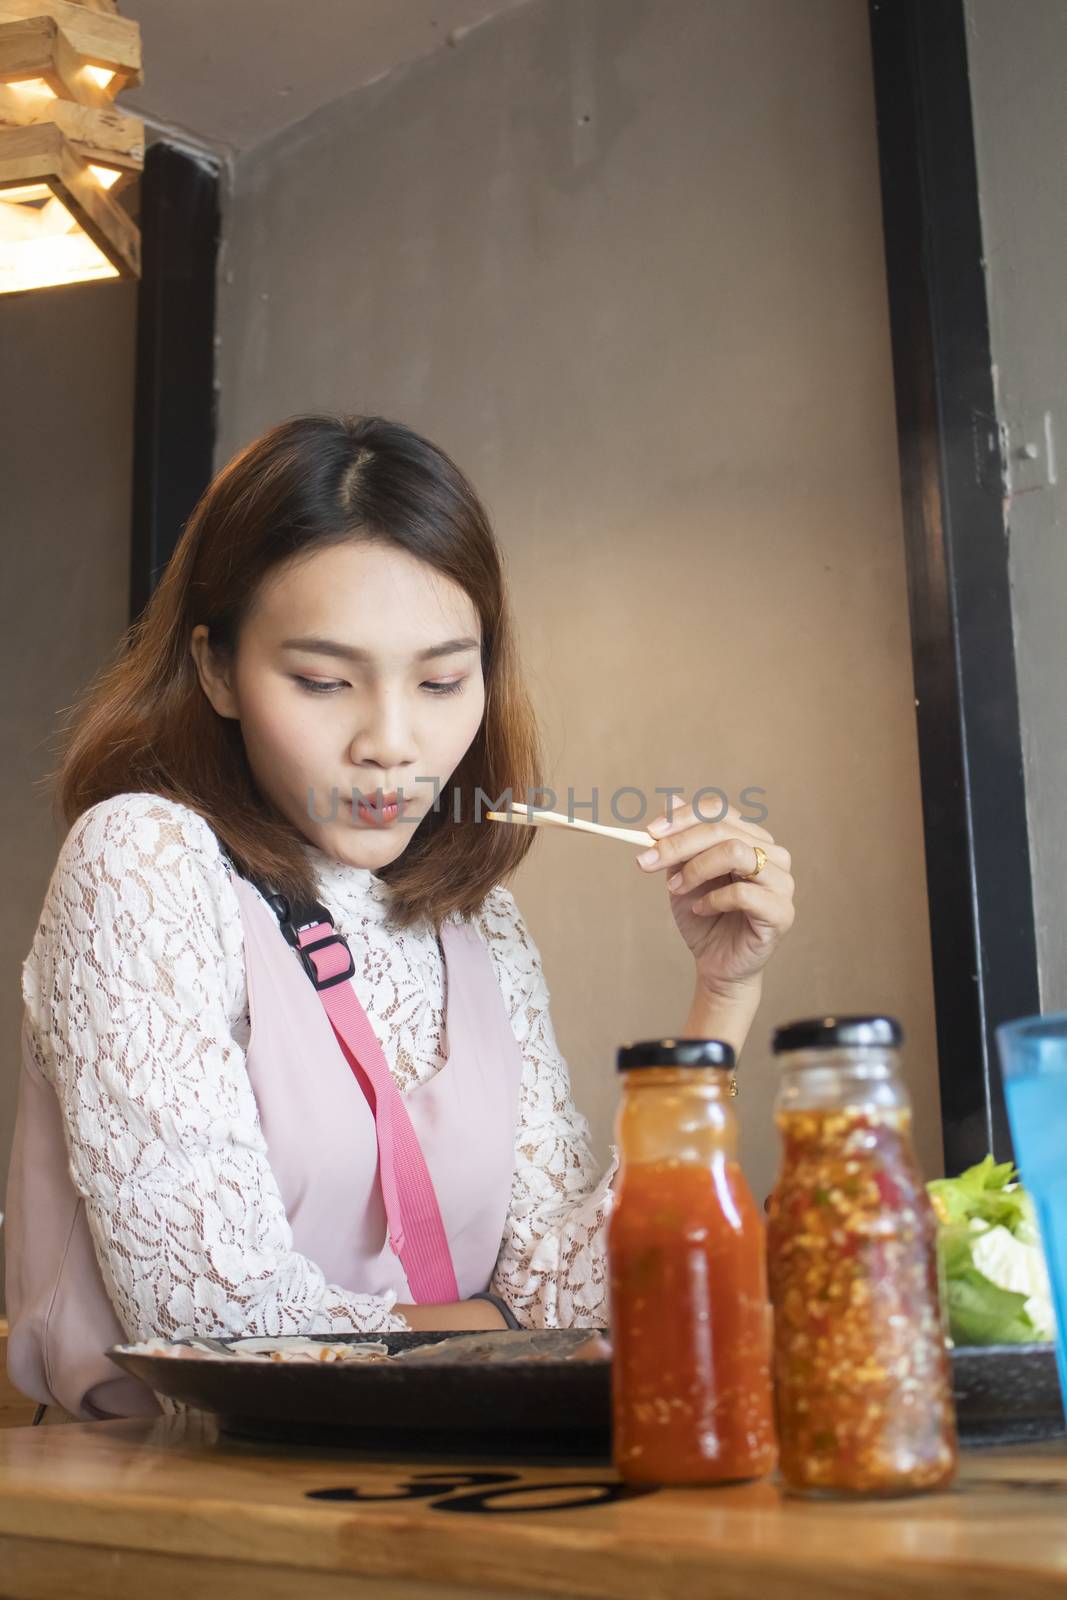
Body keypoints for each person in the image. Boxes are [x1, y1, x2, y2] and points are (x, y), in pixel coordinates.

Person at [5, 414, 796, 1422]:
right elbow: (222, 1338)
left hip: (433, 1494)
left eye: (439, 681)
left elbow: (587, 1298)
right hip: (174, 1515)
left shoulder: (479, 925)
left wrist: (720, 996)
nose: (392, 741)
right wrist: (504, 1325)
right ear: (214, 671)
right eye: (325, 680)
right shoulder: (143, 858)